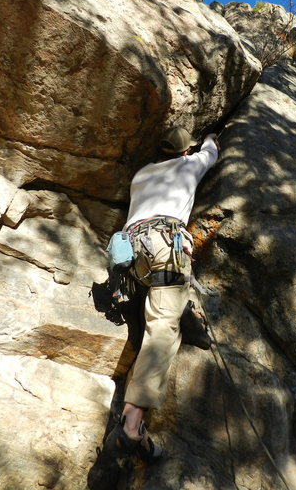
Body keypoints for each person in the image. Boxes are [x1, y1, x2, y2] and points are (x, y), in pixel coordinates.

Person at [103, 125, 219, 463]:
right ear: (185, 152)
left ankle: (187, 308)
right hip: (165, 247)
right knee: (162, 330)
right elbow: (212, 152)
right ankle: (131, 423)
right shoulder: (189, 164)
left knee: (160, 303)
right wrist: (211, 141)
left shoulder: (141, 174)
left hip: (132, 254)